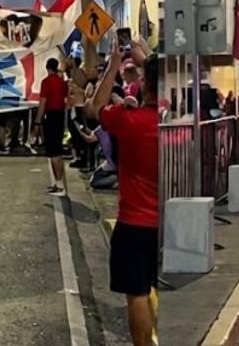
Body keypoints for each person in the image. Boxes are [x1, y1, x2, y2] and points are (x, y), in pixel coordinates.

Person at [86, 40, 158, 346]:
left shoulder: (130, 121)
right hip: (176, 222)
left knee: (138, 293)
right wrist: (146, 61)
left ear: (145, 83)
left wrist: (115, 63)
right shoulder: (180, 122)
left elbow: (94, 109)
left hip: (135, 223)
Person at [32, 58, 68, 195]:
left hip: (51, 116)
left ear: (47, 68)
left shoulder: (46, 82)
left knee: (54, 152)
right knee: (57, 150)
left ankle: (59, 185)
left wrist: (37, 122)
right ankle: (58, 183)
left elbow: (43, 102)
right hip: (60, 115)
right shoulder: (62, 82)